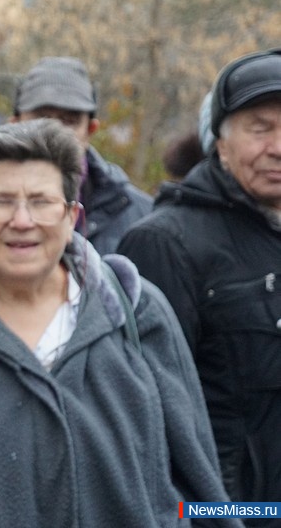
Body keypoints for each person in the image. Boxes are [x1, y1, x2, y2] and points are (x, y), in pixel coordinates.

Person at [0, 120, 236, 527]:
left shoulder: (137, 315)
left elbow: (199, 486)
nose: (22, 219)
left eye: (40, 200)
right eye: (0, 201)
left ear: (71, 216)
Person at [117, 49, 281, 512]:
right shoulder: (165, 243)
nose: (278, 146)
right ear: (220, 144)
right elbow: (145, 418)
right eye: (260, 127)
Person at [12, 56, 152, 254]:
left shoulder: (141, 217)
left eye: (69, 120)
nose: (55, 131)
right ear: (14, 124)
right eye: (42, 118)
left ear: (91, 130)